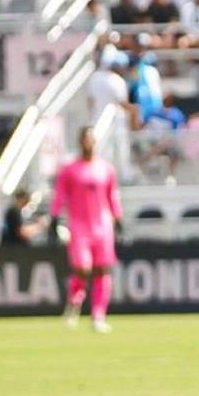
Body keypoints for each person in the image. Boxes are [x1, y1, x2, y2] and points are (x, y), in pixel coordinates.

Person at [51, 127, 122, 333]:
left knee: (102, 269)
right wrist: (55, 216)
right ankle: (74, 303)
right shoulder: (70, 170)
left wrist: (118, 218)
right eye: (85, 139)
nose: (88, 143)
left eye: (91, 139)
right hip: (80, 225)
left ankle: (98, 315)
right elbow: (60, 194)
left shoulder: (106, 169)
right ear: (80, 142)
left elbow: (112, 195)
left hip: (103, 226)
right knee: (82, 268)